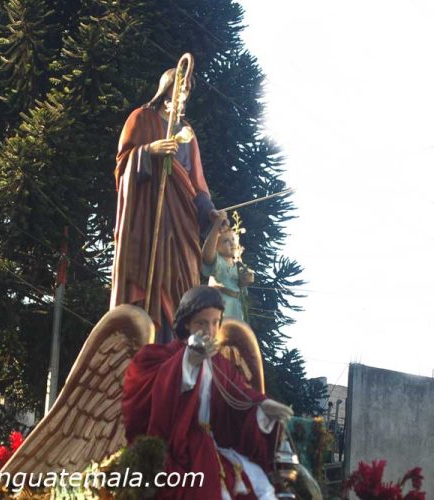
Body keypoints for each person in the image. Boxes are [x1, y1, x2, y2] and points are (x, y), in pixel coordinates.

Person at [122, 286, 293, 499]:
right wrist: (187, 362)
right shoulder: (156, 357)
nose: (210, 330)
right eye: (201, 323)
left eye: (215, 322)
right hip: (179, 449)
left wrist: (263, 406)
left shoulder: (220, 364)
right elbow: (146, 401)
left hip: (214, 446)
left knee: (261, 485)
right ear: (187, 323)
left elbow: (240, 395)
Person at [110, 68, 217, 343]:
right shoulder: (141, 117)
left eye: (187, 89)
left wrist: (210, 212)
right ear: (166, 87)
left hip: (182, 222)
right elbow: (123, 165)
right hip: (148, 219)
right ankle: (146, 340)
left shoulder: (187, 133)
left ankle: (175, 346)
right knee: (150, 280)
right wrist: (149, 151)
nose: (183, 92)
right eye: (179, 85)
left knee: (180, 284)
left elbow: (196, 182)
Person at [202, 212, 254, 321]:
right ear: (216, 247)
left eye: (232, 239)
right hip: (219, 311)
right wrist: (217, 225)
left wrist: (247, 279)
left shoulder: (239, 267)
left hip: (237, 313)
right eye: (225, 241)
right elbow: (207, 255)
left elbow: (242, 289)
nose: (232, 243)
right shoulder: (218, 262)